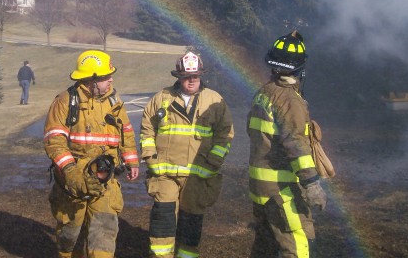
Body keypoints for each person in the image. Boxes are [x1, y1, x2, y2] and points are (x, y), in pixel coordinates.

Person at [43, 50, 139, 258]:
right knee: (70, 236)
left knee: (103, 235)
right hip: (73, 183)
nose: (111, 79)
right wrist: (71, 172)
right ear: (91, 80)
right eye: (105, 77)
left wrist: (132, 161)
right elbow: (54, 141)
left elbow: (126, 132)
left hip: (106, 180)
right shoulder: (65, 102)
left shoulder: (114, 101)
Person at [140, 51, 234, 258]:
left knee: (190, 225)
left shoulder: (214, 100)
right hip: (165, 175)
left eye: (196, 76)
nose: (192, 81)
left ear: (201, 76)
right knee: (162, 223)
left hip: (197, 177)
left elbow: (224, 134)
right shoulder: (161, 98)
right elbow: (147, 129)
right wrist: (150, 157)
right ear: (179, 76)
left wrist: (214, 162)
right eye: (187, 76)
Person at [247, 31, 327, 258]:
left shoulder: (263, 93)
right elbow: (296, 144)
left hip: (259, 188)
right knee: (298, 245)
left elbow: (253, 133)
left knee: (265, 247)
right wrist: (311, 183)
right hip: (283, 191)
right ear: (299, 68)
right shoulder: (290, 100)